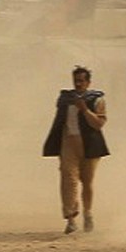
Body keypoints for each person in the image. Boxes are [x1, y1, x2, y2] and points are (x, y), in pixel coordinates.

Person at [42, 66, 109, 234]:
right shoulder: (65, 99)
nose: (78, 84)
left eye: (81, 81)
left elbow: (99, 124)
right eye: (76, 81)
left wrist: (85, 110)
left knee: (87, 181)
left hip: (89, 144)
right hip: (68, 142)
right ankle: (71, 218)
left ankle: (87, 213)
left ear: (88, 82)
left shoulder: (96, 100)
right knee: (68, 179)